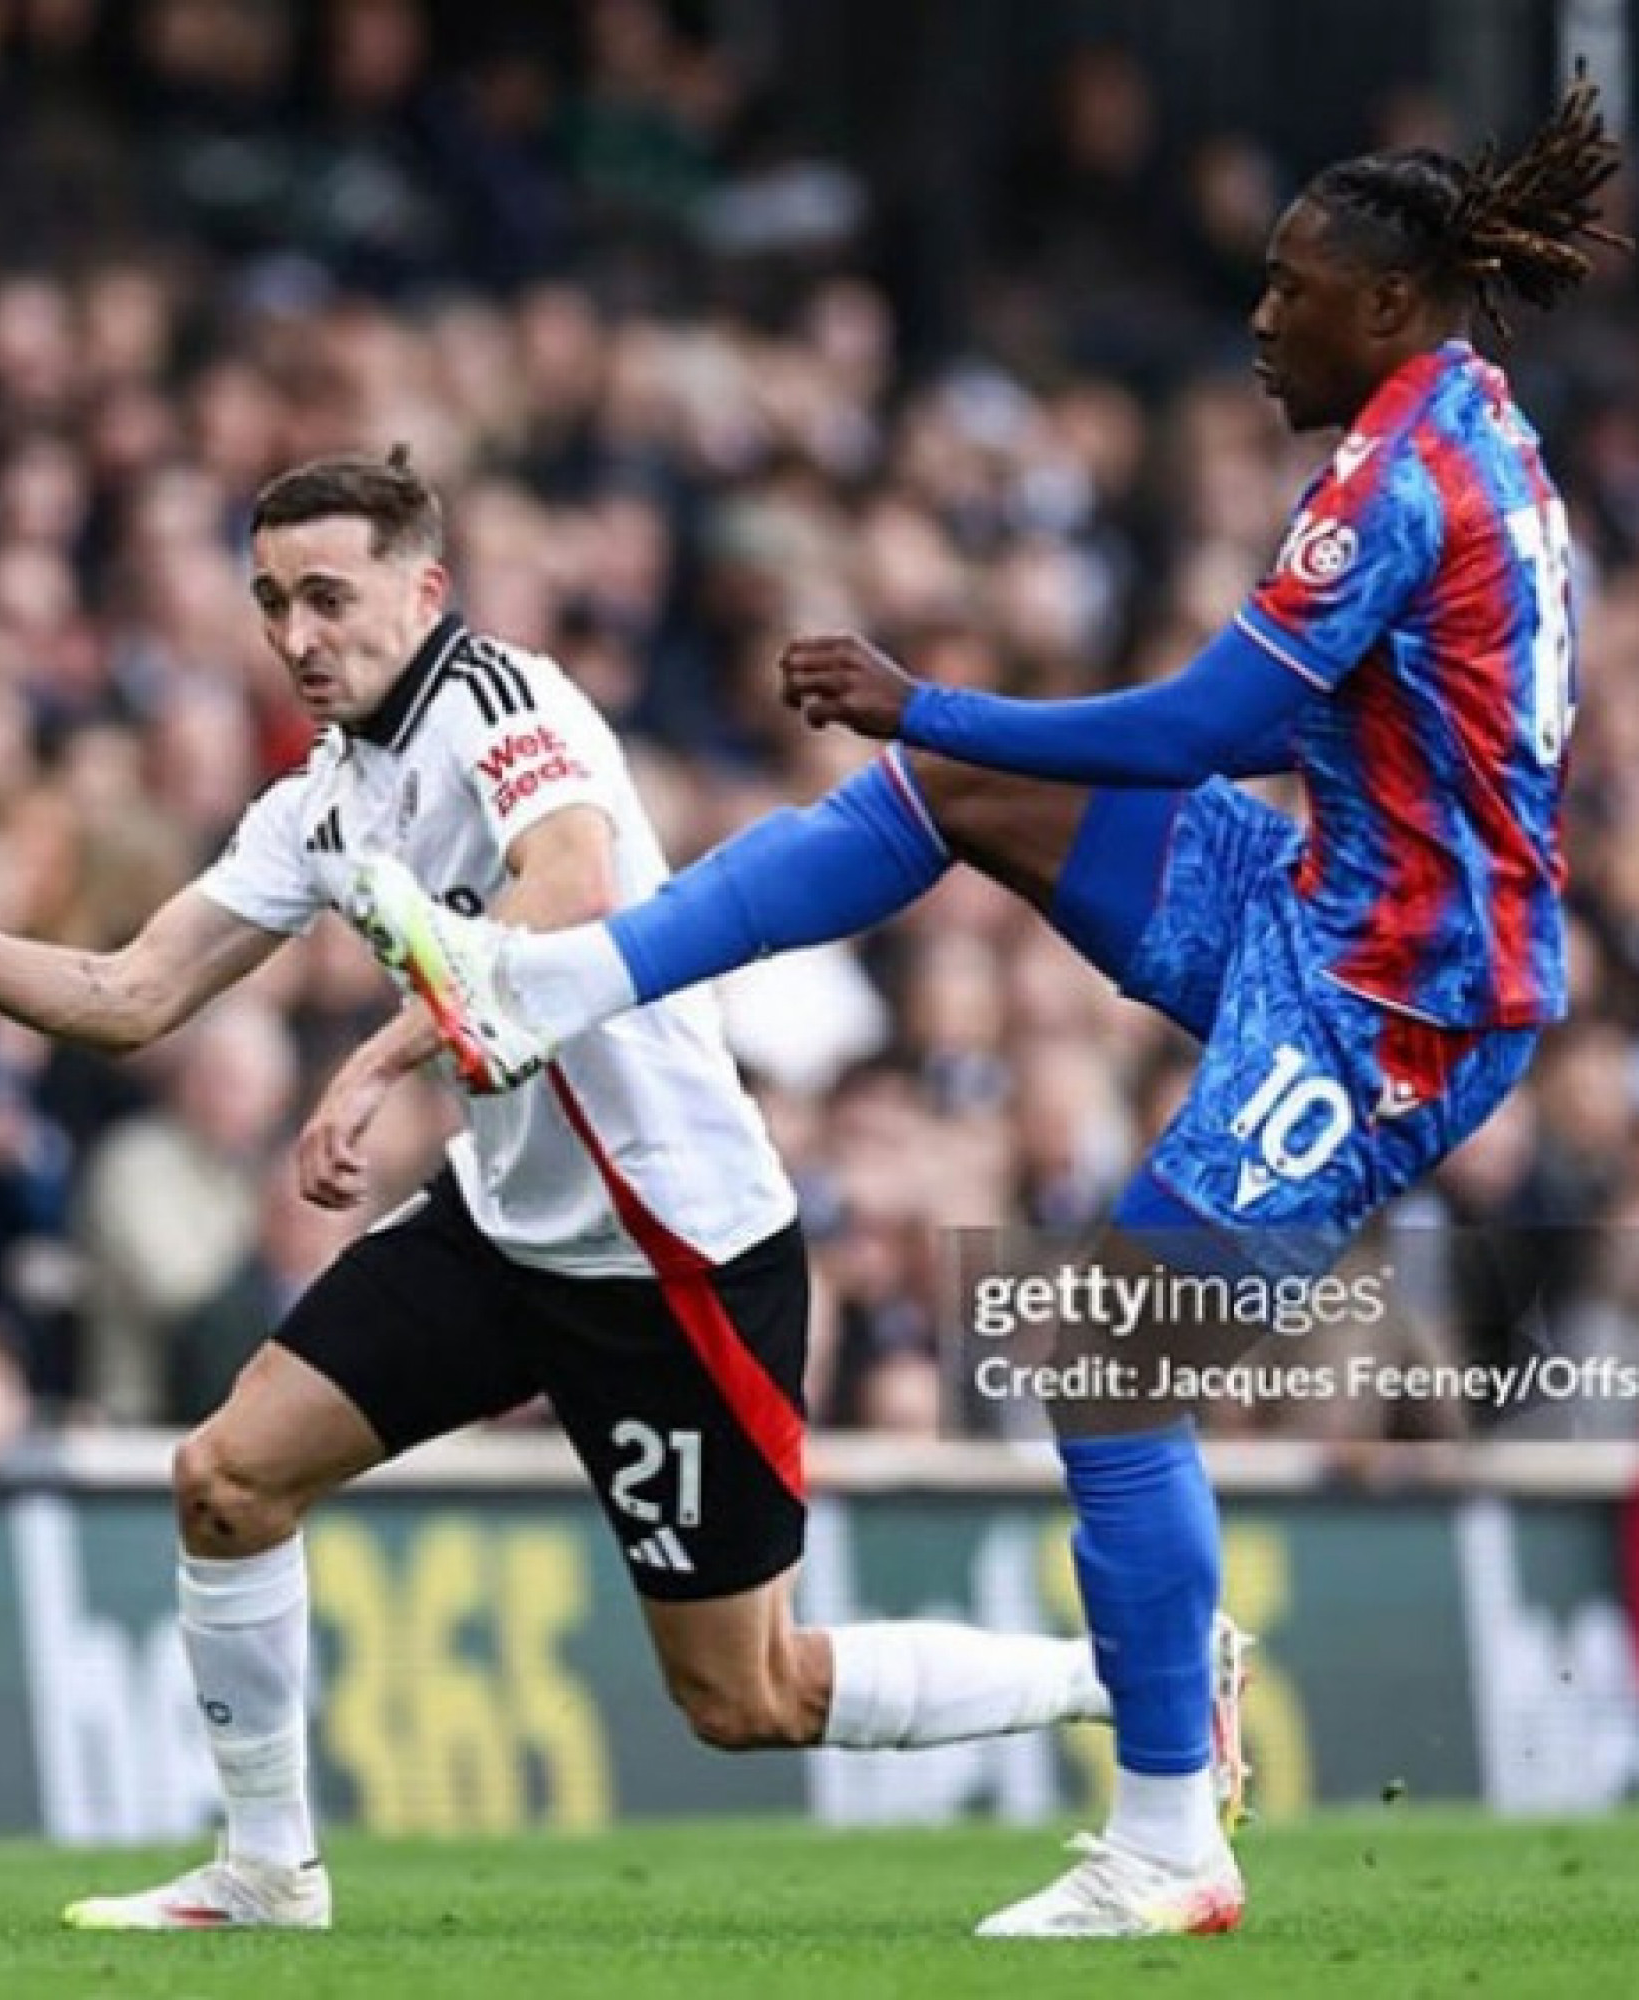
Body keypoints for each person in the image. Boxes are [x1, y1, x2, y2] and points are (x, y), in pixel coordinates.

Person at [335, 78, 1628, 1938]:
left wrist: (922, 695)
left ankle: (1170, 1843)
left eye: (1290, 291)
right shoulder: (1468, 423)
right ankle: (556, 984)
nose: (1258, 320)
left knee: (1096, 1363)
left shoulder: (1395, 482)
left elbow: (1203, 726)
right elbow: (1271, 729)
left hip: (1395, 1000)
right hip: (1319, 897)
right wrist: (951, 741)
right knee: (966, 805)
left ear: (1390, 306)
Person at [0, 447, 1238, 1934]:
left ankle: (1143, 1676)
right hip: (506, 1229)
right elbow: (128, 991)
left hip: (670, 1247)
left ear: (424, 590)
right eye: (269, 605)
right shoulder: (320, 801)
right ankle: (266, 1870)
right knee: (227, 1480)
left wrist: (373, 1068)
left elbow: (567, 890)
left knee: (746, 1695)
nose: (298, 636)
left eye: (328, 597)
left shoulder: (508, 705)